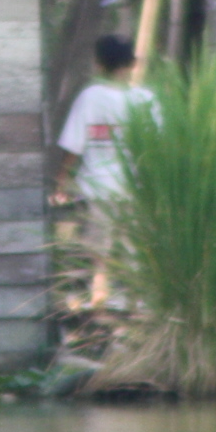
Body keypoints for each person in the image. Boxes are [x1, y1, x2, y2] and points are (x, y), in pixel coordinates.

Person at [53, 32, 157, 309]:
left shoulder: (90, 97)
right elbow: (161, 147)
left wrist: (61, 182)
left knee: (99, 249)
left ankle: (100, 296)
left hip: (99, 188)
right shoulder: (146, 100)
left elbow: (74, 147)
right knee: (134, 249)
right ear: (133, 63)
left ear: (99, 64)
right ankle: (137, 301)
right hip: (137, 188)